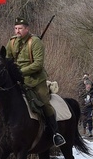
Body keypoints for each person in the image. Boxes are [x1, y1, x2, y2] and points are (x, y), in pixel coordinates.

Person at [6, 17, 65, 147]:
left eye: (20, 28)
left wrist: (20, 71)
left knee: (44, 102)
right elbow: (7, 60)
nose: (17, 31)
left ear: (27, 29)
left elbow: (38, 64)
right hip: (17, 80)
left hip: (35, 80)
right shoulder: (11, 42)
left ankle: (55, 133)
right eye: (16, 28)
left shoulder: (35, 42)